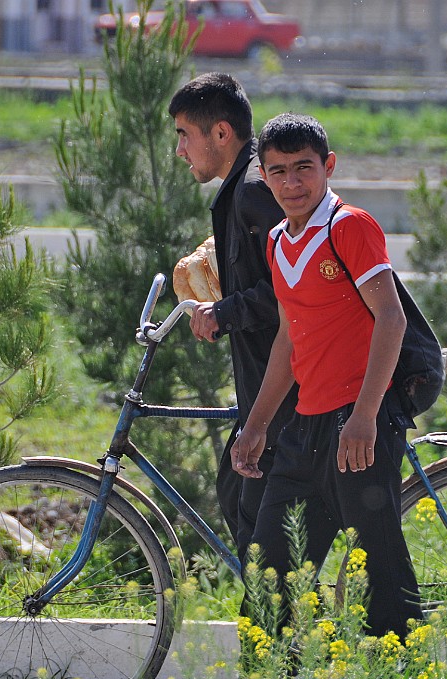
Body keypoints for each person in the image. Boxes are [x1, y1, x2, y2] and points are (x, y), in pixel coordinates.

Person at [231, 112, 423, 640]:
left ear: (328, 166)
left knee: (380, 573)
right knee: (272, 576)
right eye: (278, 172)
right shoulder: (276, 241)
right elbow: (289, 340)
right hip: (302, 433)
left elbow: (392, 317)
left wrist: (364, 416)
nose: (292, 183)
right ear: (264, 177)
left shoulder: (350, 226)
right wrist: (257, 424)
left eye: (304, 168)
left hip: (359, 428)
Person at [168, 73, 298, 577]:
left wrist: (222, 313)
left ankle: (279, 633)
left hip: (285, 387)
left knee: (264, 538)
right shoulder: (240, 191)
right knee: (234, 487)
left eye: (184, 134)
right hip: (262, 381)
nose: (180, 150)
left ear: (221, 134)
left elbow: (292, 289)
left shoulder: (253, 190)